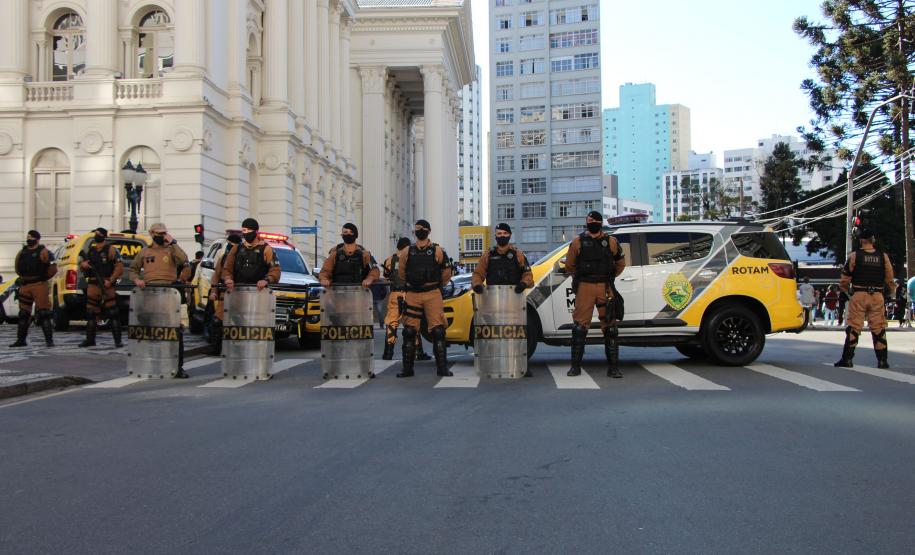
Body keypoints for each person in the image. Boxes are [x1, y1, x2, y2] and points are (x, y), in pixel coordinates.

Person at [564, 211, 626, 378]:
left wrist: (610, 276)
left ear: (600, 222)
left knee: (611, 328)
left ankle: (613, 368)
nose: (592, 222)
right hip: (585, 286)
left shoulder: (611, 241)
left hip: (605, 286)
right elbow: (569, 265)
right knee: (579, 327)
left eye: (595, 220)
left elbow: (620, 263)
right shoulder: (577, 242)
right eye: (590, 220)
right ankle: (575, 367)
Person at [471, 223, 535, 376]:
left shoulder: (518, 254)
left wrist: (523, 284)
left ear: (510, 235)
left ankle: (521, 366)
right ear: (495, 236)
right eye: (498, 233)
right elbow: (477, 274)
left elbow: (529, 276)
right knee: (492, 335)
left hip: (513, 302)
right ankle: (490, 364)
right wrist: (477, 285)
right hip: (493, 302)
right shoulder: (488, 255)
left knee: (517, 336)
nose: (501, 236)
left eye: (504, 233)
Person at [129, 223, 191, 377]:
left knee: (175, 333)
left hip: (169, 296)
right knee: (151, 332)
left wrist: (173, 242)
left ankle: (178, 367)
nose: (161, 236)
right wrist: (137, 280)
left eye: (164, 233)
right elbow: (133, 269)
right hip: (150, 296)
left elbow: (184, 260)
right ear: (151, 233)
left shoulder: (171, 250)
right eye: (159, 233)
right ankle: (151, 364)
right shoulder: (145, 252)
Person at [396, 219, 454, 378]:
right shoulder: (407, 251)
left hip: (432, 293)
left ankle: (442, 368)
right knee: (409, 332)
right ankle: (407, 369)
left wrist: (436, 284)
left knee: (438, 331)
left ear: (428, 231)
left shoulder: (438, 250)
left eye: (421, 228)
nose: (418, 231)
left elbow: (447, 272)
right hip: (413, 294)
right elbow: (401, 272)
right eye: (416, 229)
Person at [834, 228, 896, 369]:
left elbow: (844, 279)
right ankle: (882, 361)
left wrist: (847, 291)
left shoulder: (855, 256)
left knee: (854, 327)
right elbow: (890, 278)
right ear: (873, 240)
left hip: (859, 294)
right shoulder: (883, 256)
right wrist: (889, 292)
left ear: (861, 241)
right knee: (878, 327)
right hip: (877, 296)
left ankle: (847, 359)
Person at [380, 237, 432, 361]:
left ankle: (388, 352)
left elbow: (387, 276)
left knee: (392, 322)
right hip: (411, 294)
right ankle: (418, 352)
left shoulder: (390, 260)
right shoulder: (412, 257)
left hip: (395, 293)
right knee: (413, 322)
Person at [78, 228, 124, 348]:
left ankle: (117, 341)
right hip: (93, 284)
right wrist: (83, 265)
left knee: (113, 312)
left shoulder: (111, 250)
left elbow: (119, 267)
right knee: (91, 313)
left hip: (106, 284)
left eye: (99, 234)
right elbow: (83, 265)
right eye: (96, 234)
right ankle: (90, 340)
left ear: (104, 236)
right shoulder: (91, 250)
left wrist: (111, 280)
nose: (96, 236)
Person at [10, 230, 57, 348]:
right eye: (27, 237)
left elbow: (53, 268)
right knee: (23, 314)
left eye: (31, 237)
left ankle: (49, 341)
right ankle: (21, 340)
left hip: (39, 285)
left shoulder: (44, 252)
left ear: (37, 239)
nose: (28, 238)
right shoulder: (22, 252)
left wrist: (43, 278)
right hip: (25, 285)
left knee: (44, 313)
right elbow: (17, 267)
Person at [221, 218, 281, 292]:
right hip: (238, 292)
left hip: (259, 292)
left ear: (256, 231)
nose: (246, 233)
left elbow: (275, 270)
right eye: (244, 230)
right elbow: (227, 268)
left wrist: (266, 280)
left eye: (249, 230)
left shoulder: (266, 249)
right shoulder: (236, 248)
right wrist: (228, 279)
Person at [207, 233, 242, 355]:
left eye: (232, 246)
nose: (229, 248)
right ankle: (216, 348)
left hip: (239, 295)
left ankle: (238, 350)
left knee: (239, 323)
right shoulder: (223, 258)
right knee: (217, 321)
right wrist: (213, 292)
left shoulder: (242, 258)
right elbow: (216, 275)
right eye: (229, 245)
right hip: (224, 293)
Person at [317, 223, 379, 289]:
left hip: (359, 294)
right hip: (338, 294)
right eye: (345, 232)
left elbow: (374, 270)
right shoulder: (334, 254)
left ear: (356, 234)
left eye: (351, 232)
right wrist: (324, 279)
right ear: (342, 235)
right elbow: (325, 271)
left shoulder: (365, 254)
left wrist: (370, 278)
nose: (348, 234)